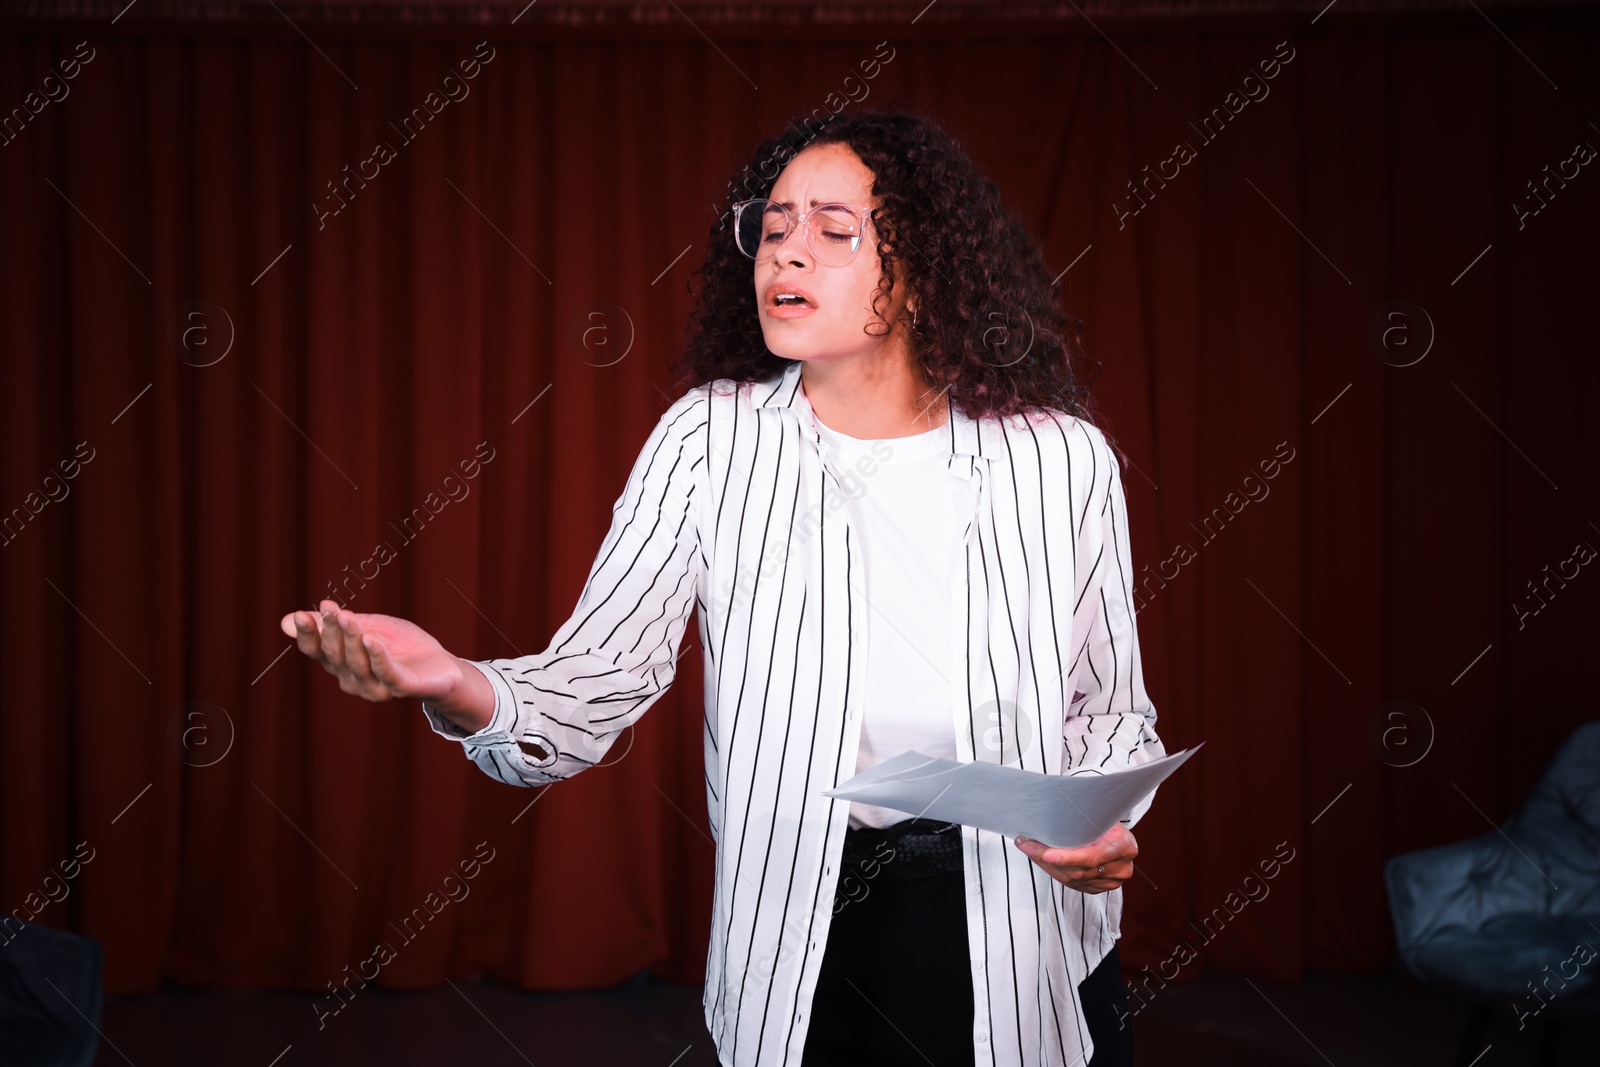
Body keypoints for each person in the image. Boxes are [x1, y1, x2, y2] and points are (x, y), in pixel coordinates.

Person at [281, 106, 1163, 1067]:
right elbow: (594, 680)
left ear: (922, 272)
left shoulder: (1059, 459)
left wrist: (1098, 825)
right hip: (796, 933)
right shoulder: (707, 442)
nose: (787, 255)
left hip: (1018, 934)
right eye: (772, 228)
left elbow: (1110, 711)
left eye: (833, 232)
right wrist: (455, 681)